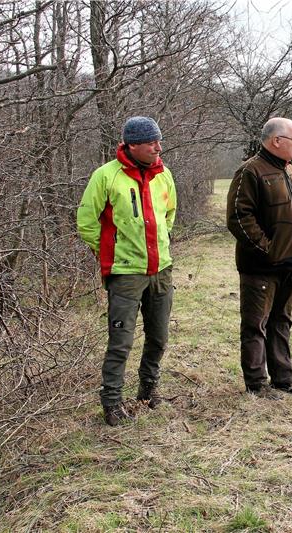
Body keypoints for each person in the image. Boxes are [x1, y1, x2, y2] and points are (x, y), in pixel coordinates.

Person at [77, 116, 177, 426]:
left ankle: (147, 393)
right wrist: (108, 250)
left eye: (158, 141)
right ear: (132, 145)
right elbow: (86, 222)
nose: (158, 148)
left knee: (158, 337)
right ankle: (111, 403)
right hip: (125, 274)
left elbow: (169, 214)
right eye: (151, 143)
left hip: (160, 270)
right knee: (120, 341)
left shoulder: (163, 174)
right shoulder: (106, 176)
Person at [227, 117, 292, 398]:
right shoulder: (250, 172)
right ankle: (256, 383)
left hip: (288, 266)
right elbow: (239, 218)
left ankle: (283, 378)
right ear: (276, 141)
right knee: (256, 325)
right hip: (260, 267)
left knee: (281, 322)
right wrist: (269, 250)